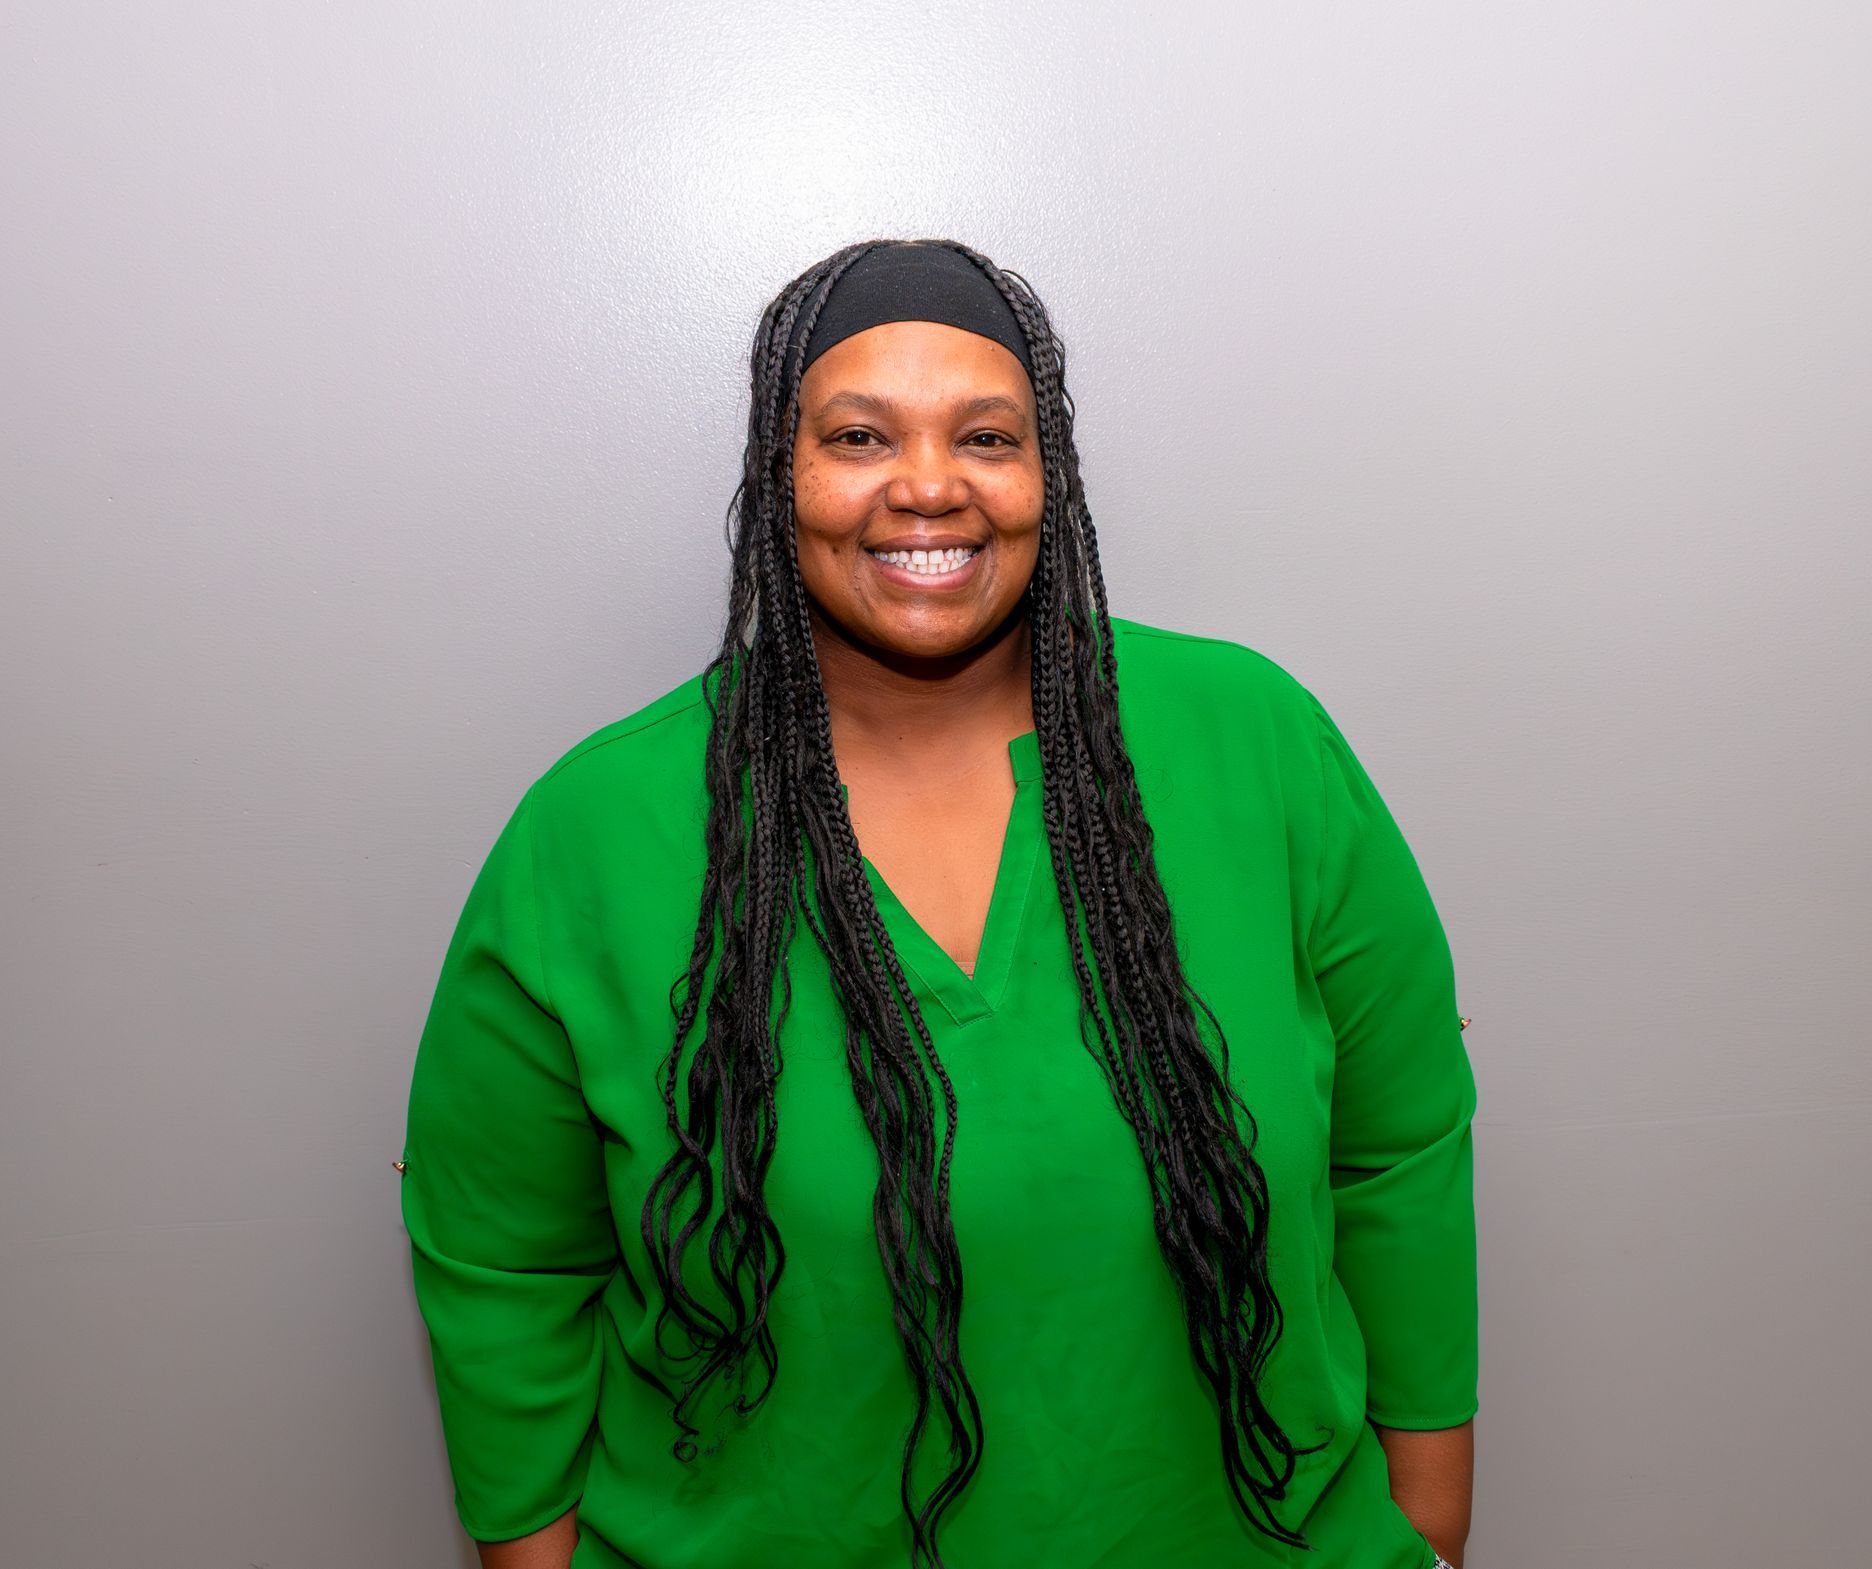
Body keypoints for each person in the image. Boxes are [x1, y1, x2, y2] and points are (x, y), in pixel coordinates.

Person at [398, 238, 1478, 1569]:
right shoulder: (595, 828)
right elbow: (506, 1258)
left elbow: (1401, 1145)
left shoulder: (1256, 742)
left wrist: (1429, 1517)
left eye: (986, 435)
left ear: (1048, 476)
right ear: (778, 475)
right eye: (858, 435)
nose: (927, 485)